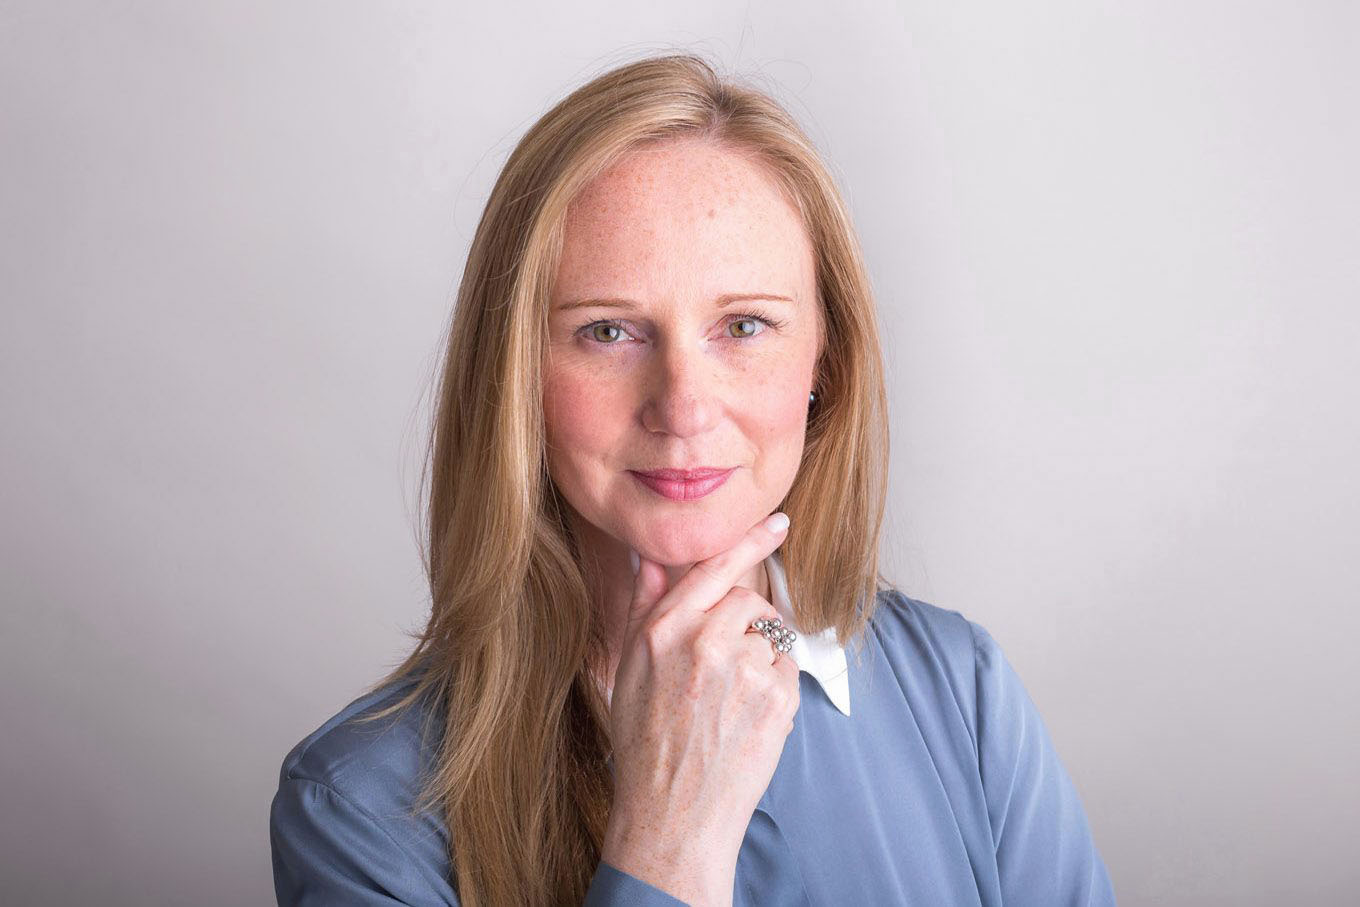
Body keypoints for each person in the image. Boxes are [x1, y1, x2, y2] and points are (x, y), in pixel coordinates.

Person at [268, 53, 1117, 906]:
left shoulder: (961, 692)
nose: (682, 406)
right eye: (607, 332)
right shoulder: (358, 808)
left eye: (744, 325)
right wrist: (667, 841)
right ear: (519, 375)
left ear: (827, 361)